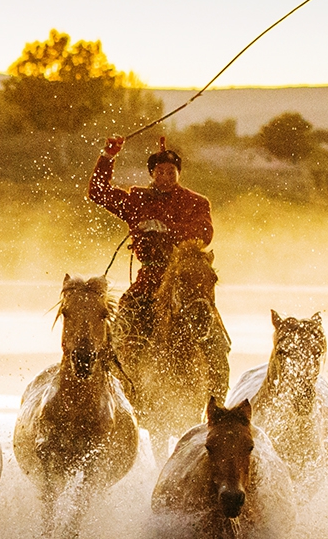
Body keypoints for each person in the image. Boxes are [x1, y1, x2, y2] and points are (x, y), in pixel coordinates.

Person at [87, 132, 225, 373]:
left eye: (171, 172)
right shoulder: (138, 200)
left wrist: (167, 228)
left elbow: (205, 233)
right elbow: (98, 192)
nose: (166, 177)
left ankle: (217, 386)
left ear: (179, 173)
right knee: (122, 328)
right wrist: (108, 156)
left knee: (214, 340)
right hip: (148, 282)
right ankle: (115, 376)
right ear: (152, 174)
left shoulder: (196, 202)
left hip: (186, 282)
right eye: (160, 172)